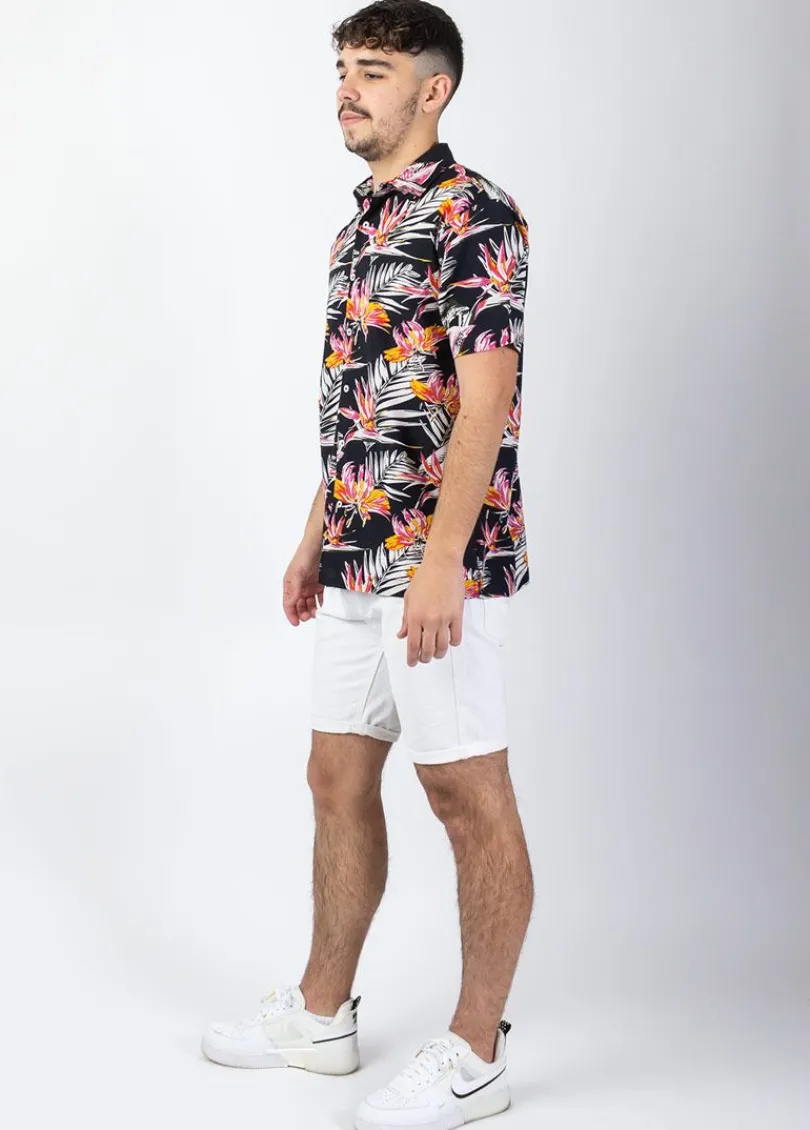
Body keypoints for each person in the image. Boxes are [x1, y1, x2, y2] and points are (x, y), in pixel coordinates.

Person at [201, 2, 535, 1125]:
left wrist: (441, 561)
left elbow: (484, 398)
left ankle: (476, 1051)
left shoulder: (474, 212)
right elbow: (365, 406)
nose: (348, 87)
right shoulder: (358, 228)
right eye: (344, 67)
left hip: (441, 566)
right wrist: (315, 537)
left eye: (375, 70)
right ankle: (321, 1014)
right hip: (356, 553)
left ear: (434, 90)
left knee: (464, 794)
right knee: (335, 777)